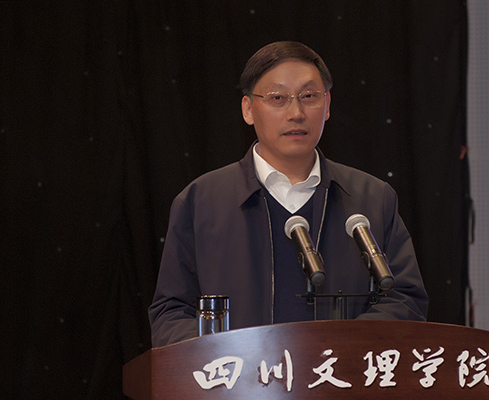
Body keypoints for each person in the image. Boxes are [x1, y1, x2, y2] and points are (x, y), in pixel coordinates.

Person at [148, 41, 428, 347]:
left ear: (327, 104)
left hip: (340, 373)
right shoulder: (200, 202)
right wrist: (226, 358)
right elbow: (171, 313)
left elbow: (405, 301)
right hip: (238, 376)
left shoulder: (372, 198)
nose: (296, 113)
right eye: (277, 98)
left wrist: (338, 350)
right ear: (248, 109)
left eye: (309, 96)